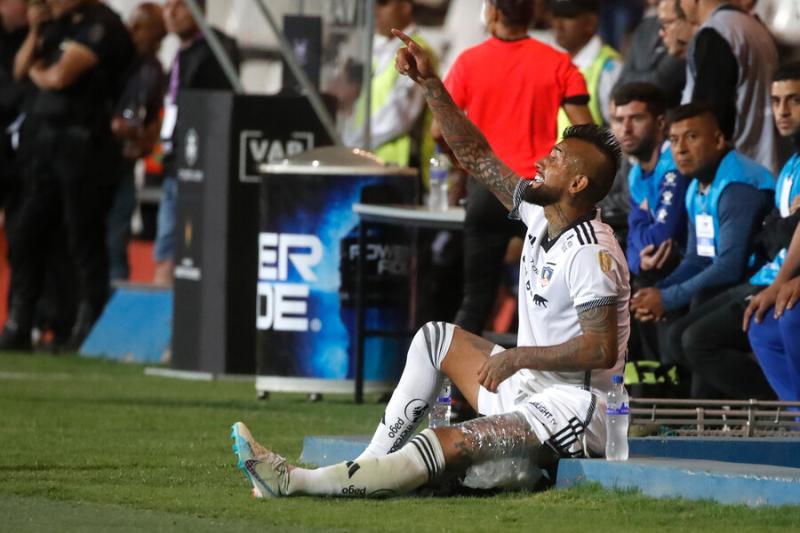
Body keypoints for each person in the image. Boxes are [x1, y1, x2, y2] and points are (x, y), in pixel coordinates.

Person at [231, 29, 630, 499]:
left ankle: (296, 482)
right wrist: (431, 86)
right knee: (434, 339)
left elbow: (599, 349)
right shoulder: (539, 214)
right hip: (529, 386)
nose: (542, 160)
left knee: (449, 441)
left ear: (579, 184)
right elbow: (477, 158)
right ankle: (367, 467)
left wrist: (519, 357)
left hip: (572, 410)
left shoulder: (592, 252)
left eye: (556, 159)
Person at [445, 0, 592, 338]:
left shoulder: (469, 62)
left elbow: (441, 131)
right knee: (553, 300)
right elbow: (586, 132)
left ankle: (454, 389)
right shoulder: (558, 63)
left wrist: (462, 166)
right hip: (541, 194)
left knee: (475, 300)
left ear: (492, 12)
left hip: (487, 190)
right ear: (534, 13)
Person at [1, 0, 134, 351]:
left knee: (82, 239)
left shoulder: (101, 25)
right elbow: (19, 69)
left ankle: (87, 326)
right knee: (27, 234)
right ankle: (20, 322)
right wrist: (34, 33)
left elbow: (59, 77)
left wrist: (39, 71)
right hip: (44, 148)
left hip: (84, 148)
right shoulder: (54, 26)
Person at [630, 103, 774, 398]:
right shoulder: (697, 186)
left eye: (692, 137)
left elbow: (729, 265)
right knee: (675, 335)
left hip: (764, 283)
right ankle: (705, 417)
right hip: (735, 284)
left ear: (719, 140)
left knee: (694, 340)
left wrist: (667, 299)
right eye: (673, 140)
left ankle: (778, 403)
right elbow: (698, 257)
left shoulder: (736, 187)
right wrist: (657, 292)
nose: (680, 149)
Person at [154, 0, 239, 286]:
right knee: (166, 252)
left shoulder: (216, 50)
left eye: (180, 6)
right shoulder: (182, 53)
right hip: (173, 162)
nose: (171, 13)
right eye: (167, 6)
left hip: (199, 166)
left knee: (191, 252)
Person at [743, 62, 800, 401]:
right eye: (777, 102)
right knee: (762, 325)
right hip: (782, 272)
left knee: (790, 318)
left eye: (793, 100)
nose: (783, 111)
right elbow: (776, 233)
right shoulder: (790, 164)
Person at [679, 0, 778, 170]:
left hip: (739, 170)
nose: (680, 5)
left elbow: (710, 115)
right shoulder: (754, 26)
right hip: (769, 161)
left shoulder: (717, 32)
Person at [341, 0, 437, 175]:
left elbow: (398, 117)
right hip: (373, 163)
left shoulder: (417, 51)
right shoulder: (381, 53)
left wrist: (353, 143)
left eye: (383, 3)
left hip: (397, 168)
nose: (375, 11)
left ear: (406, 6)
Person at [107, 2, 166, 283]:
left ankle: (111, 305)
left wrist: (138, 134)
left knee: (115, 242)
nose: (134, 32)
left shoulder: (151, 70)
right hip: (98, 160)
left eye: (141, 27)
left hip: (120, 165)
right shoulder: (118, 61)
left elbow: (146, 120)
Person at [610, 83, 688, 280]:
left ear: (660, 123)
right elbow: (634, 243)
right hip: (658, 270)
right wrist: (638, 264)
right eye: (619, 120)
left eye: (636, 119)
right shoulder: (636, 173)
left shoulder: (675, 163)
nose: (625, 129)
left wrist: (638, 216)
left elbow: (660, 239)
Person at [551, 0, 623, 128]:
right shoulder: (558, 62)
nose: (558, 25)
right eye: (555, 16)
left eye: (568, 16)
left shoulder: (609, 68)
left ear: (590, 23)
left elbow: (620, 132)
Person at [613, 0, 685, 108]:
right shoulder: (644, 26)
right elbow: (621, 81)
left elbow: (660, 82)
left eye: (668, 22)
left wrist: (631, 78)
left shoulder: (685, 22)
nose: (662, 33)